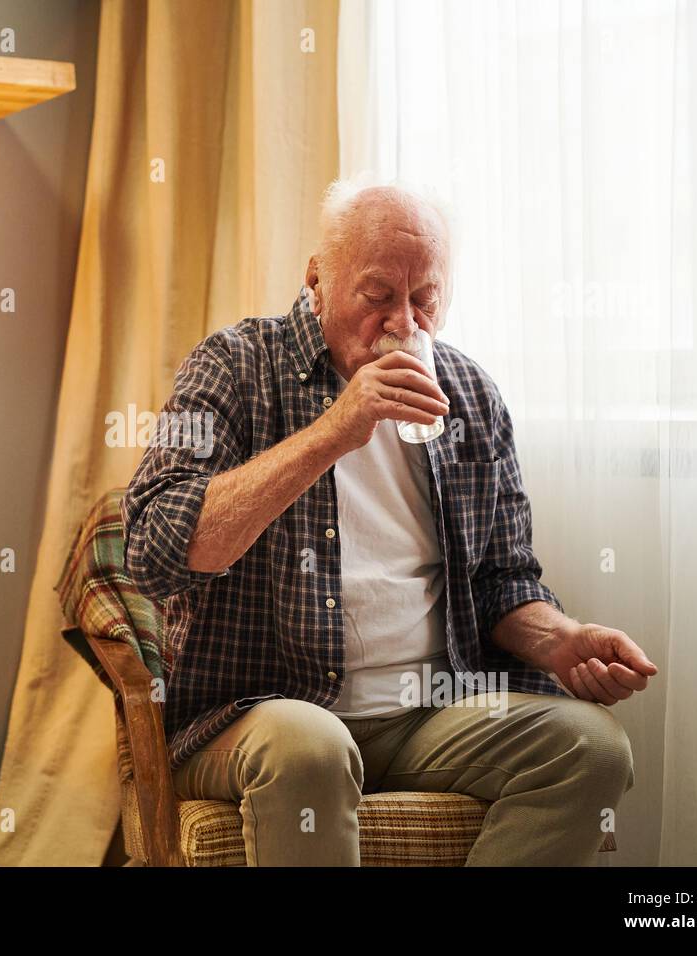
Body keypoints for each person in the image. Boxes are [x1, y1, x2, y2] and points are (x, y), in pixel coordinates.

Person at [122, 178, 657, 866]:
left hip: (429, 714)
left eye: (425, 299)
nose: (404, 322)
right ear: (317, 277)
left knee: (592, 749)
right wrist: (335, 431)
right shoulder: (235, 365)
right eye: (378, 297)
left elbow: (502, 581)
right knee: (308, 748)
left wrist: (561, 640)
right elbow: (154, 548)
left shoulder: (470, 394)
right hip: (259, 711)